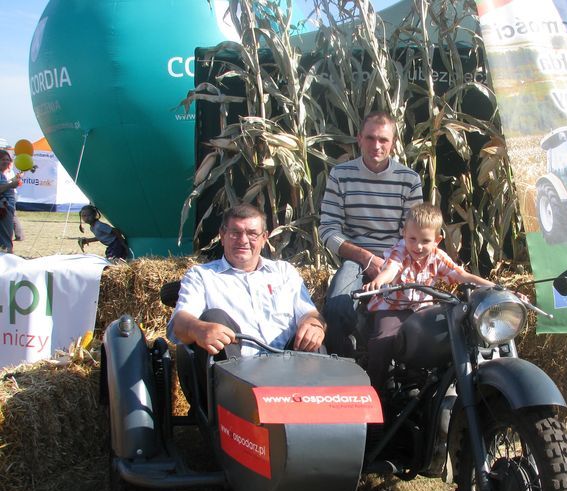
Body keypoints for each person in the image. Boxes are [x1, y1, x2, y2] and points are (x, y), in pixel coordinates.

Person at [320, 111, 423, 356]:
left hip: (397, 259)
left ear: (394, 143)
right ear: (359, 139)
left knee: (413, 315)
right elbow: (328, 230)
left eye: (383, 140)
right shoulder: (340, 175)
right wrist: (366, 259)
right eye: (370, 138)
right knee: (335, 309)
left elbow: (414, 234)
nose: (376, 146)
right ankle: (350, 365)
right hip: (355, 259)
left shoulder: (409, 180)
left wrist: (390, 265)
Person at [362, 203, 493, 391]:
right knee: (383, 341)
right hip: (392, 309)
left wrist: (496, 288)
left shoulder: (437, 257)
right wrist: (380, 280)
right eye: (412, 239)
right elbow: (392, 268)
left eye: (425, 240)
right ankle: (376, 390)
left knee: (452, 336)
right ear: (403, 234)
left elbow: (462, 276)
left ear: (437, 240)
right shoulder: (400, 251)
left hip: (422, 310)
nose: (418, 246)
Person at [168, 203, 325, 358]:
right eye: (235, 233)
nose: (243, 240)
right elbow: (180, 322)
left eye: (252, 234)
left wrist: (314, 325)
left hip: (289, 366)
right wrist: (198, 329)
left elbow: (309, 313)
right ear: (222, 236)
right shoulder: (201, 276)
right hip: (235, 372)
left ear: (264, 238)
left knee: (313, 337)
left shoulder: (284, 272)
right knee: (214, 317)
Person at [0, 149, 22, 253]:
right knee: (6, 241)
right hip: (3, 210)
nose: (6, 162)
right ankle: (7, 261)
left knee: (6, 238)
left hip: (7, 209)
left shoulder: (2, 174)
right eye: (3, 159)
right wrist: (11, 185)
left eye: (8, 160)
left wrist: (13, 181)